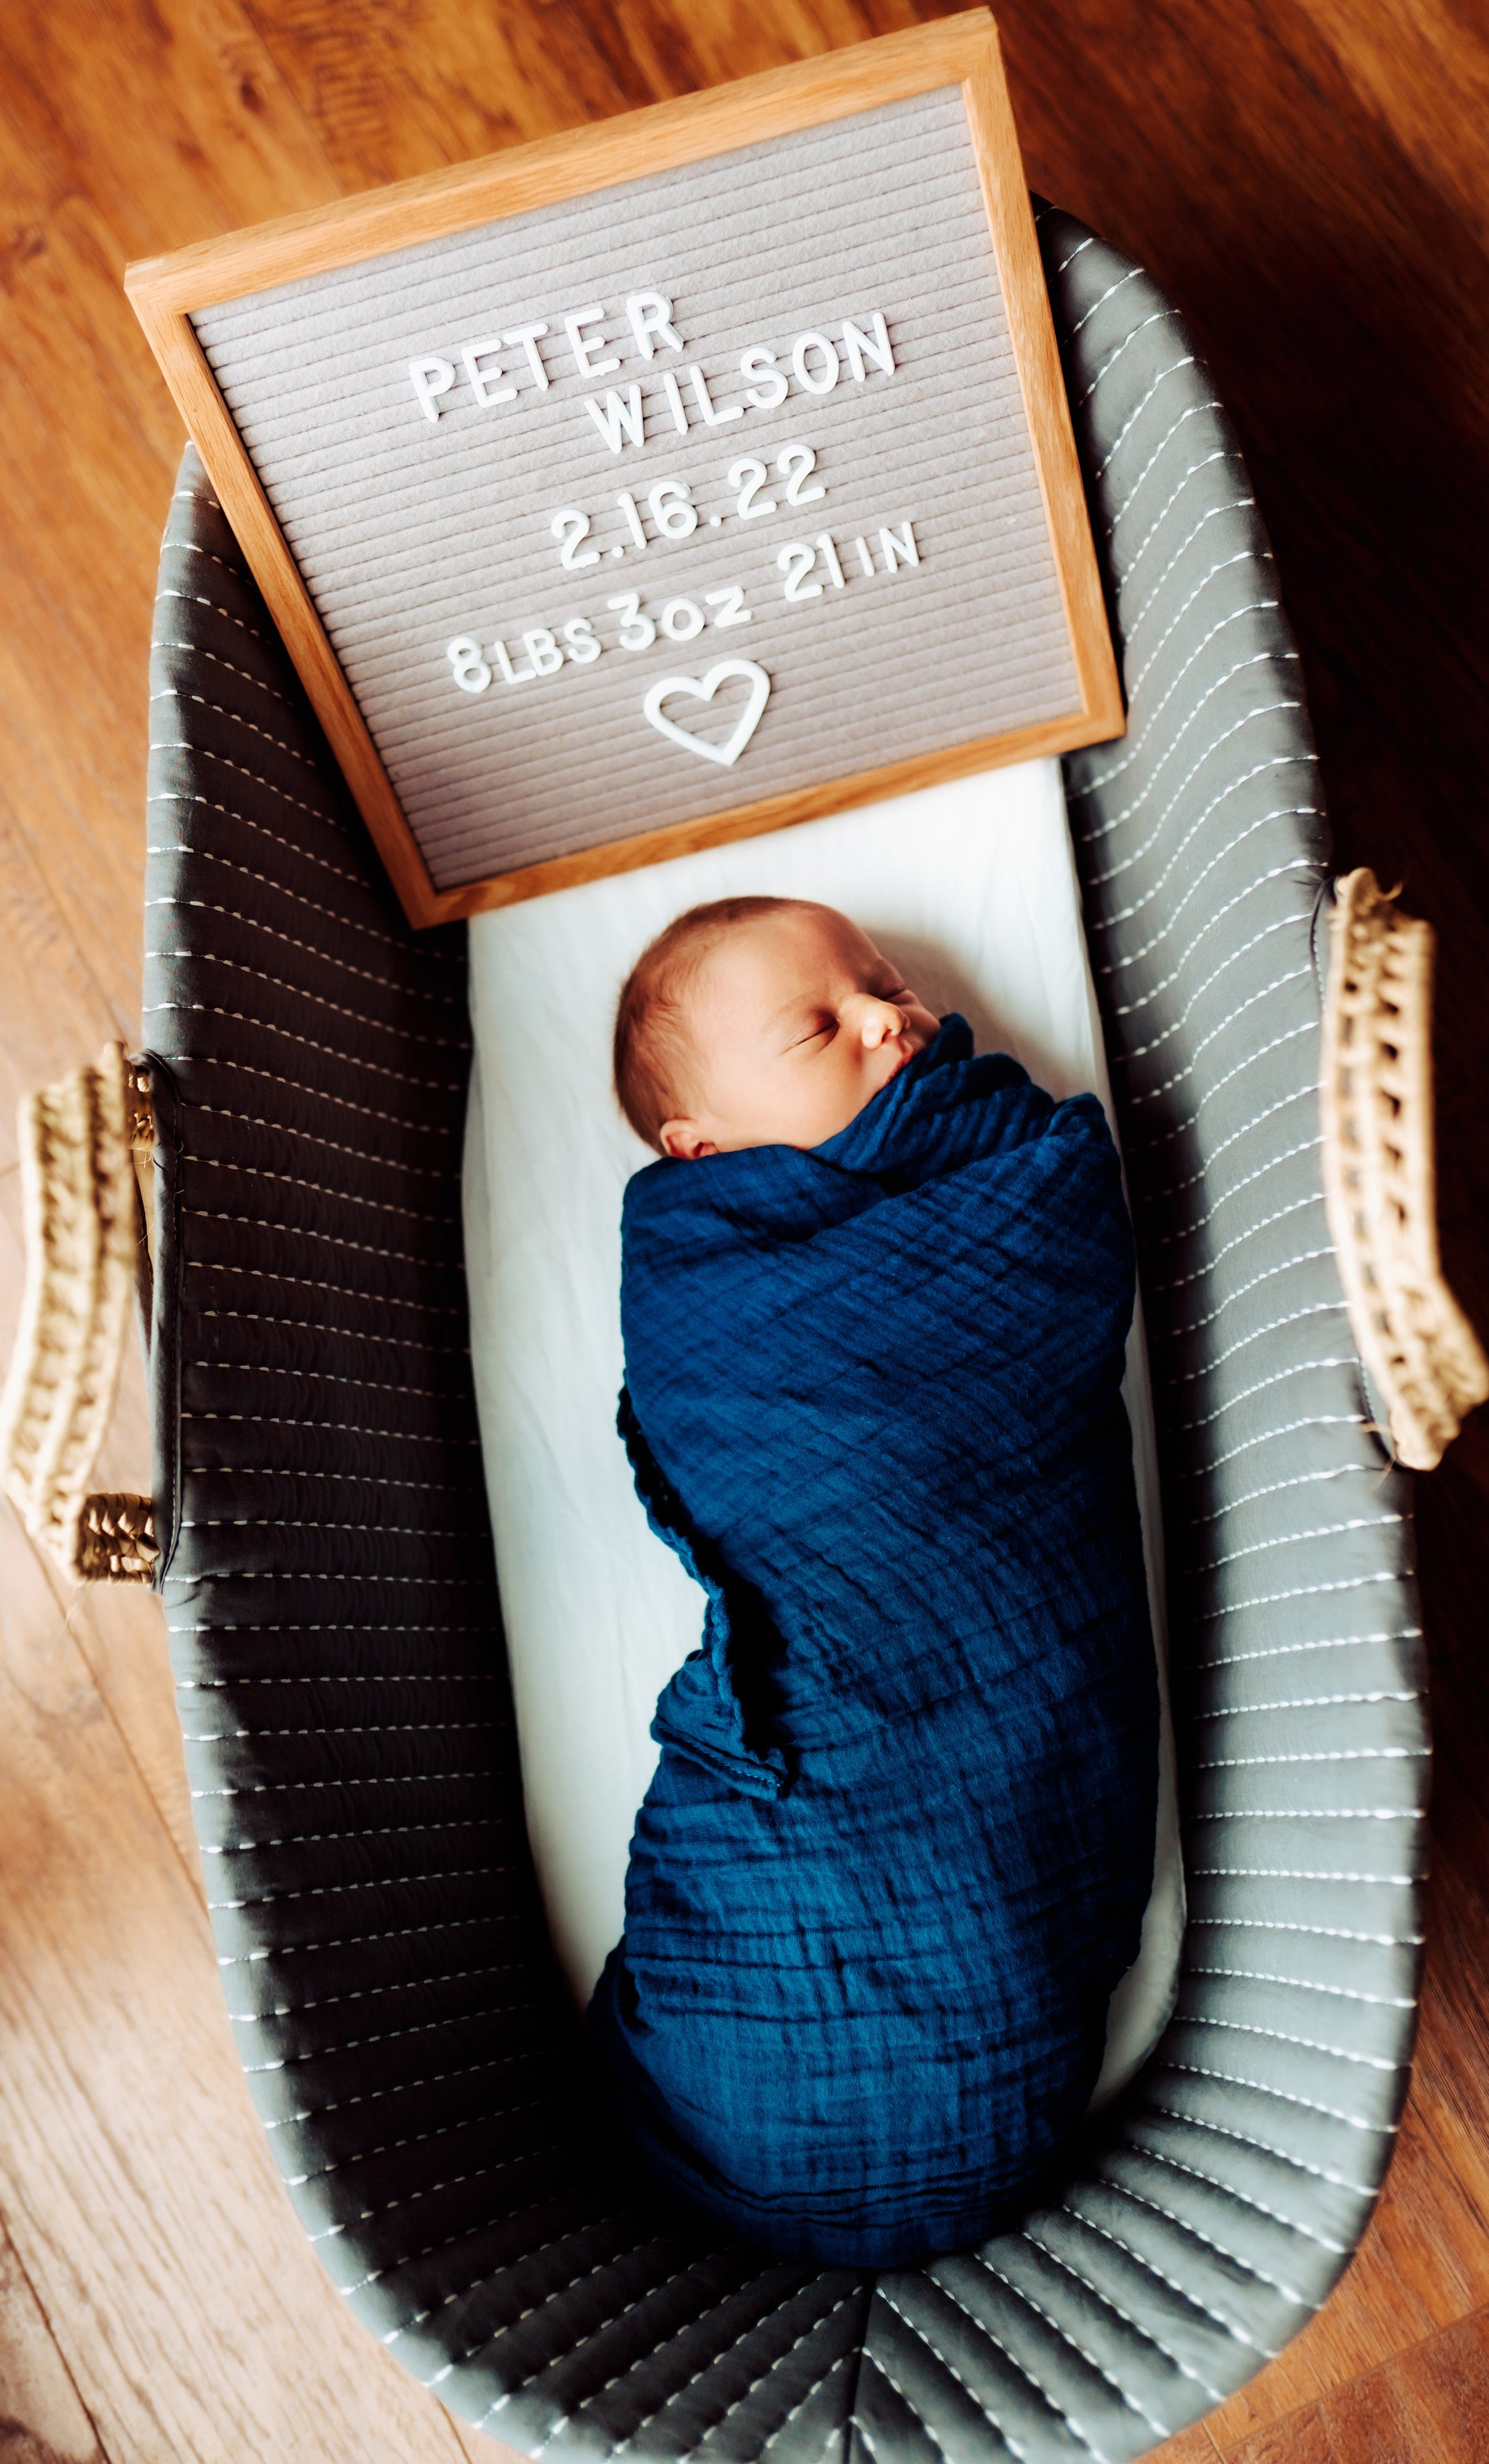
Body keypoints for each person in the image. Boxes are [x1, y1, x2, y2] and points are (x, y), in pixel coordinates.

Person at [590, 895, 1159, 2266]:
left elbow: (1063, 1227)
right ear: (701, 1148)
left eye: (880, 985)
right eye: (819, 1026)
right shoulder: (705, 1283)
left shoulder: (1003, 1167)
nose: (890, 1018)